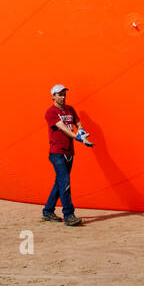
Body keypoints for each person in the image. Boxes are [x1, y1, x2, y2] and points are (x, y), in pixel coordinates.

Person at [43, 84, 92, 226]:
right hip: (57, 153)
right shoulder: (51, 112)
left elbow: (77, 121)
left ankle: (48, 211)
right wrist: (77, 137)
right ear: (53, 96)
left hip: (69, 151)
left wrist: (81, 132)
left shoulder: (70, 109)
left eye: (64, 94)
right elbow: (62, 127)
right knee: (65, 182)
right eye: (59, 94)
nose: (63, 97)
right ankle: (69, 215)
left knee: (59, 183)